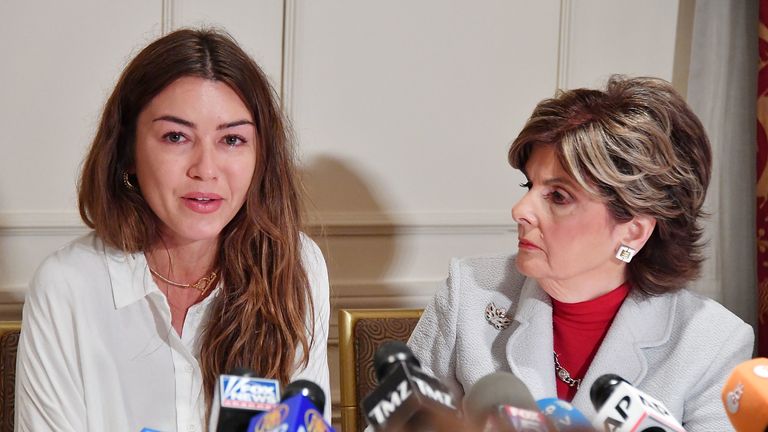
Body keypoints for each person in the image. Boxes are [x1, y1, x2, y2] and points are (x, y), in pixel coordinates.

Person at [14, 28, 330, 431]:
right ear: (128, 152)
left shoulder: (296, 266)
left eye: (232, 139)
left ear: (260, 157)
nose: (206, 169)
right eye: (176, 136)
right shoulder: (67, 287)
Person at [407, 76, 754, 430]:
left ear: (634, 231)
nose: (521, 209)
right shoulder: (470, 293)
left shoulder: (711, 342)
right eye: (529, 185)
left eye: (559, 196)